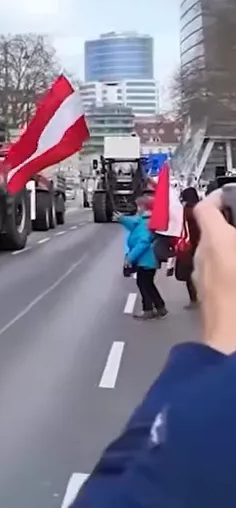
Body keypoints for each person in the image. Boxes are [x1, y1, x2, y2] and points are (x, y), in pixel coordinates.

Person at [70, 187, 236, 506]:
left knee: (147, 288)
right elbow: (130, 223)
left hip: (145, 262)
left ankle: (154, 308)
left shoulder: (206, 426)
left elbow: (134, 474)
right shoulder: (144, 220)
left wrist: (222, 331)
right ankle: (154, 307)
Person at [118, 194, 165, 319]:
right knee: (148, 284)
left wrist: (130, 258)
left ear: (143, 207)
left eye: (138, 206)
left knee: (144, 284)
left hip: (147, 260)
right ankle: (160, 307)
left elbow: (143, 243)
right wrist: (121, 218)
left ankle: (148, 310)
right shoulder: (146, 219)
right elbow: (133, 223)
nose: (137, 209)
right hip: (148, 260)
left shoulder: (147, 222)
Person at [172, 186, 201, 308]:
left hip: (191, 247)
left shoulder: (186, 211)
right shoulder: (202, 209)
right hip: (203, 245)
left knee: (190, 274)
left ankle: (194, 300)